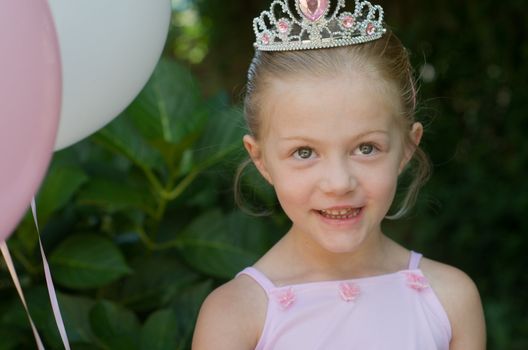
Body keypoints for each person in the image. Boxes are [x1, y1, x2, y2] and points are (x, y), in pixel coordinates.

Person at [192, 0, 486, 349]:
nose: (338, 183)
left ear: (408, 146)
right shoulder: (236, 315)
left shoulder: (450, 299)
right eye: (304, 153)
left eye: (365, 148)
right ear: (262, 160)